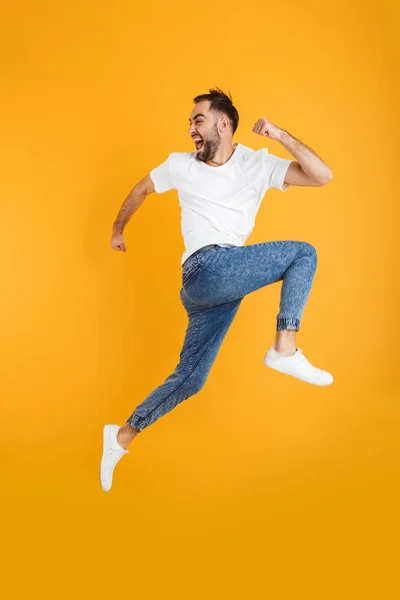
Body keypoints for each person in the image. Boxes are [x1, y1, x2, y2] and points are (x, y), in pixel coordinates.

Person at [100, 88, 334, 492]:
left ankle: (121, 437)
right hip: (204, 269)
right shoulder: (180, 165)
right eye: (191, 121)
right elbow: (140, 190)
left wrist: (280, 135)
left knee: (191, 378)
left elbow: (322, 175)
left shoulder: (257, 164)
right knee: (303, 254)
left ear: (223, 124)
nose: (190, 128)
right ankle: (284, 347)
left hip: (220, 287)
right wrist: (118, 231)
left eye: (198, 120)